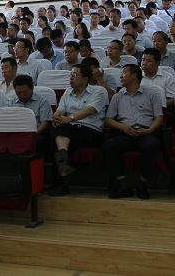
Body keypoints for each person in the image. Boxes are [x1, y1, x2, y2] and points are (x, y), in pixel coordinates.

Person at [103, 64, 164, 199]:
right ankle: (123, 184)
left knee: (151, 146)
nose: (120, 76)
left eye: (124, 73)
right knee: (109, 146)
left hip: (146, 132)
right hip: (126, 133)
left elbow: (159, 117)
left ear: (134, 76)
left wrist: (149, 131)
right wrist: (123, 127)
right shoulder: (117, 96)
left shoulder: (151, 93)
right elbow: (108, 120)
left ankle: (142, 183)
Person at [50, 64, 108, 196]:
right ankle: (63, 165)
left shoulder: (98, 91)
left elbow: (89, 110)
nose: (71, 78)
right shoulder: (67, 92)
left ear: (85, 78)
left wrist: (69, 118)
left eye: (75, 75)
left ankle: (61, 181)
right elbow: (60, 110)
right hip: (70, 130)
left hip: (90, 131)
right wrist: (56, 117)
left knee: (56, 139)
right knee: (56, 129)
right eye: (70, 74)